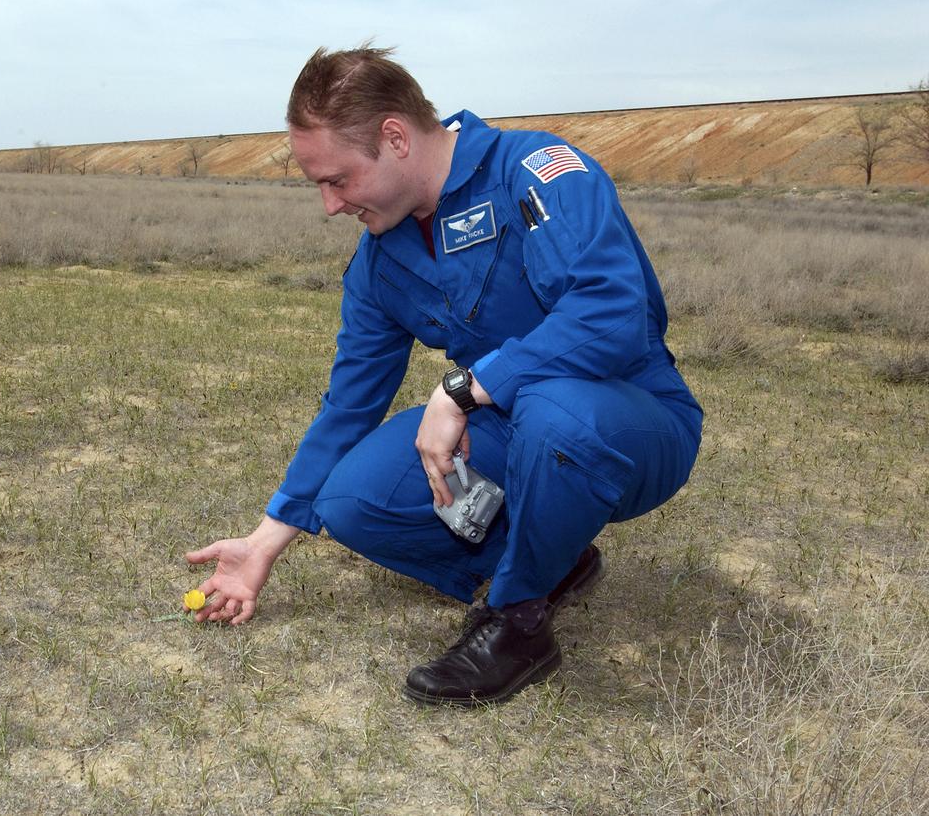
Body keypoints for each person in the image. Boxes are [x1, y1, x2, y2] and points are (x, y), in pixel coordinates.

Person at [185, 46, 703, 706]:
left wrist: (465, 389)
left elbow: (611, 312)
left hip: (630, 420)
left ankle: (517, 624)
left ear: (395, 138)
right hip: (516, 431)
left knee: (556, 413)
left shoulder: (533, 172)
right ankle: (554, 557)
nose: (328, 205)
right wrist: (266, 540)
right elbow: (349, 404)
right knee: (350, 499)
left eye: (338, 179)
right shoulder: (381, 260)